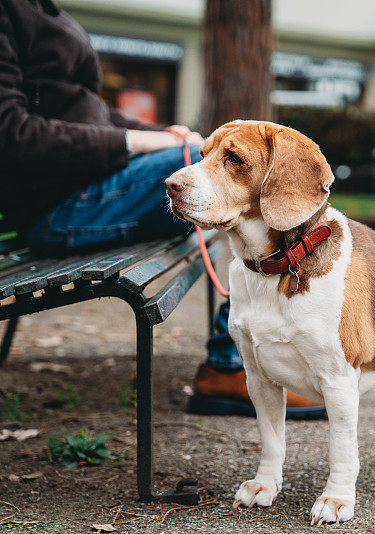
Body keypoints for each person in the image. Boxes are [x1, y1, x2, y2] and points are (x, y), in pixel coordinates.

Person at [0, 0, 324, 418]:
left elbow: (94, 115)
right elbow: (12, 134)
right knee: (229, 169)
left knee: (213, 153)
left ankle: (252, 359)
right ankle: (233, 367)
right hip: (60, 207)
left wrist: (161, 134)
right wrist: (142, 143)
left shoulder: (41, 9)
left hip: (86, 187)